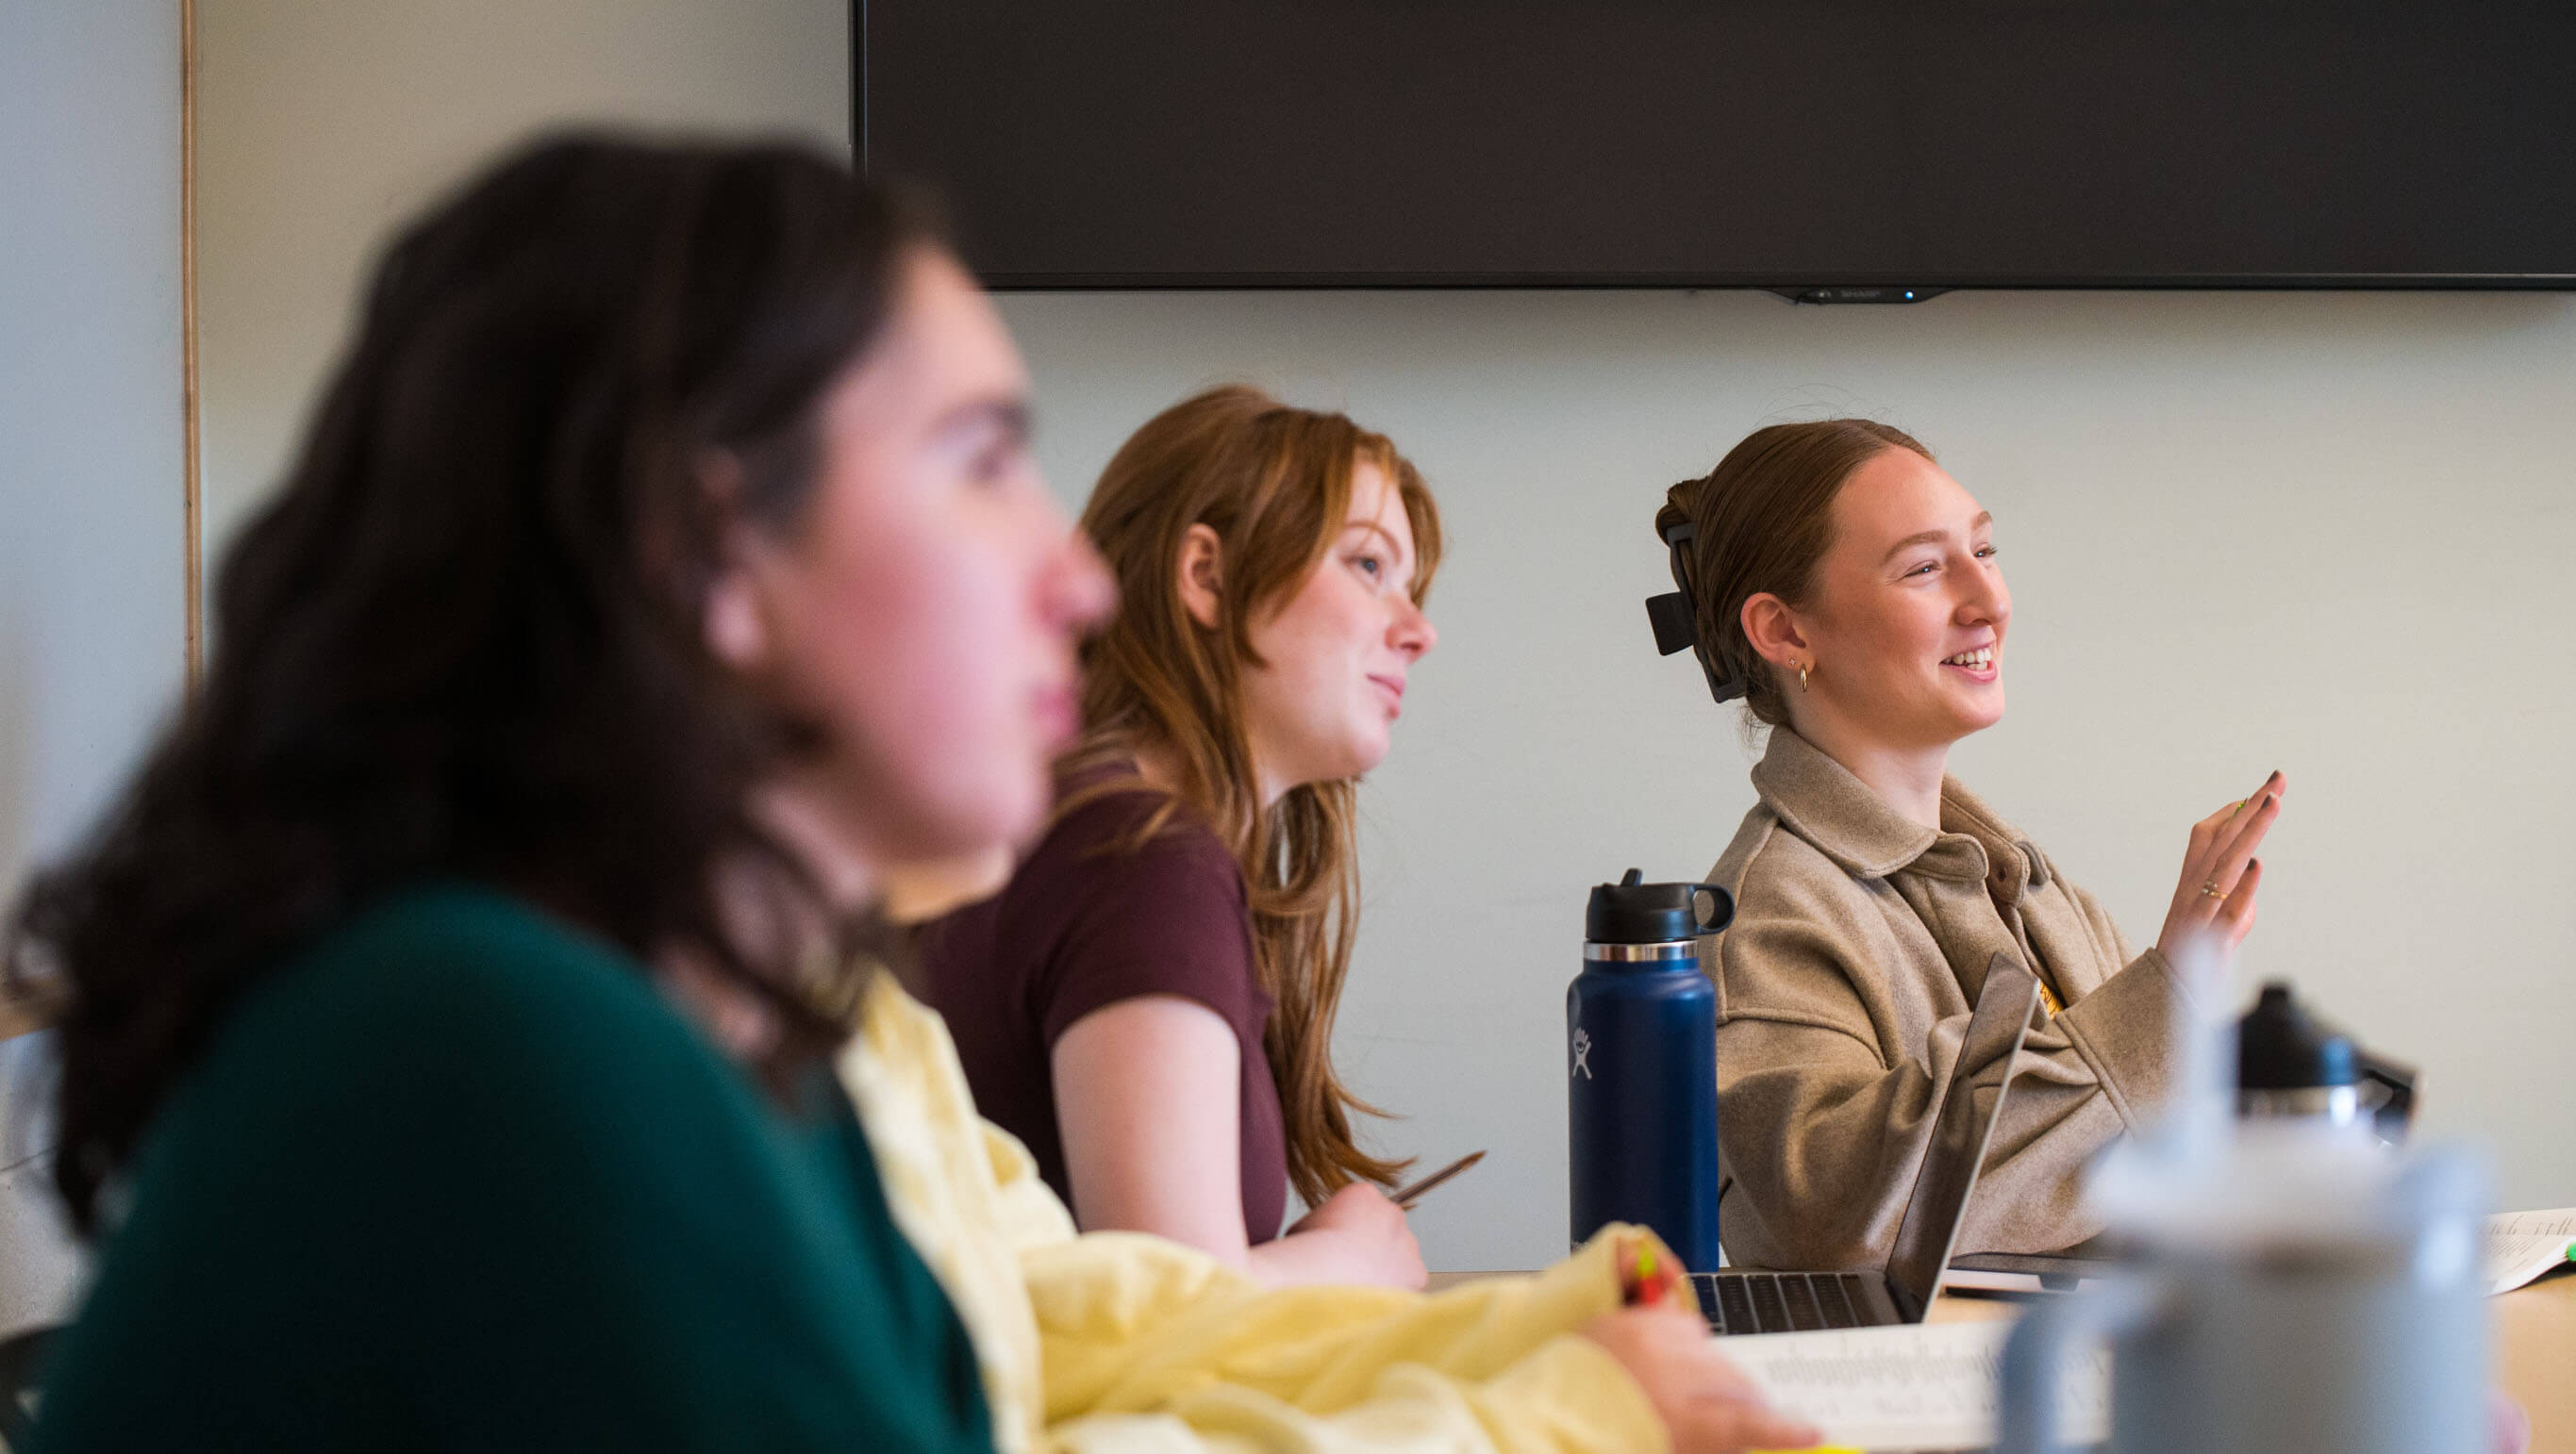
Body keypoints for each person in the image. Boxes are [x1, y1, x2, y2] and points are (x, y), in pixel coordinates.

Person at [10, 133, 1815, 1454]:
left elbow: (1052, 1338)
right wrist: (1564, 1410)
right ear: (711, 545)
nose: (1077, 577)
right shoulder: (505, 1039)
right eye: (976, 463)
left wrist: (1562, 1329)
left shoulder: (824, 1036)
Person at [1650, 419, 2284, 1270]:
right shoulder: (1766, 922)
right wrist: (2160, 999)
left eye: (1983, 552)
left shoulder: (2029, 885)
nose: (1988, 602)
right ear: (1786, 632)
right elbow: (1832, 1218)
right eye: (1922, 568)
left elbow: (2120, 1164)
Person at [911, 386, 1437, 1290]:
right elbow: (1171, 1303)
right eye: (1367, 565)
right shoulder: (1141, 860)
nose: (1417, 630)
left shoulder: (1081, 827)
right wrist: (1349, 1260)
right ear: (1206, 575)